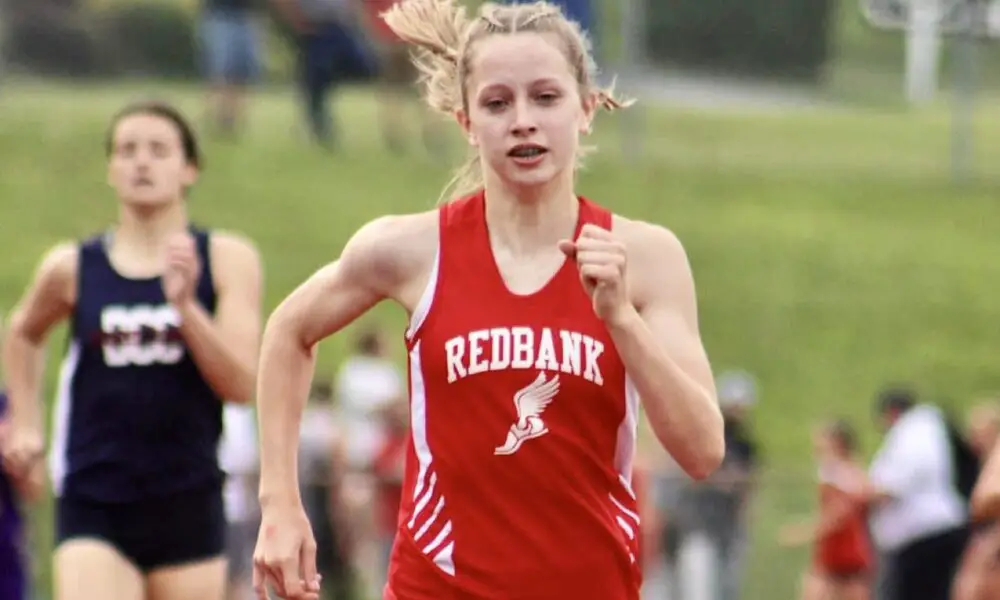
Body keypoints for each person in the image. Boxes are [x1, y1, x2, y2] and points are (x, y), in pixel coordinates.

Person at [251, 2, 724, 599]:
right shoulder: (412, 249)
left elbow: (703, 451)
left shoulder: (646, 257)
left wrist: (622, 321)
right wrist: (280, 504)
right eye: (498, 103)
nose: (523, 121)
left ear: (586, 108)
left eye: (546, 98)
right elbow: (288, 332)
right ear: (466, 121)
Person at [0, 101, 263, 600]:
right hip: (95, 498)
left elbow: (241, 385)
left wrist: (185, 308)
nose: (142, 162)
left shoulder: (226, 258)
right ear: (110, 170)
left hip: (188, 497)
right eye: (127, 150)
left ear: (189, 169)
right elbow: (23, 331)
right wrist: (27, 420)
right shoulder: (74, 266)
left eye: (159, 150)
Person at [866, 386, 969, 600]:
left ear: (892, 412)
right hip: (929, 534)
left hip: (924, 535)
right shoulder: (928, 430)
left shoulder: (914, 431)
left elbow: (895, 484)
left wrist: (862, 494)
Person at [779, 420, 872, 600]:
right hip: (829, 552)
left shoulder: (848, 475)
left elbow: (839, 515)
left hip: (849, 552)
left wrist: (803, 532)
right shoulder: (830, 473)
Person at [219, 403, 262, 600]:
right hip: (218, 508)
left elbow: (247, 461)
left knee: (236, 579)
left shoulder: (237, 411)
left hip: (232, 508)